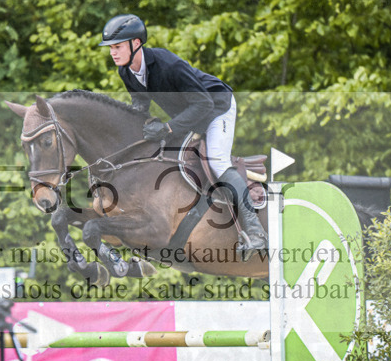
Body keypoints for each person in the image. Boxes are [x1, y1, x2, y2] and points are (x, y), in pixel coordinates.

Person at [98, 13, 267, 252]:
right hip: (191, 114)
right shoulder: (126, 71)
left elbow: (204, 105)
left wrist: (167, 128)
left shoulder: (168, 64)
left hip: (217, 107)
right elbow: (140, 105)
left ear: (136, 44)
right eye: (110, 48)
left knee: (217, 161)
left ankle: (255, 231)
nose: (113, 52)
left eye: (117, 46)